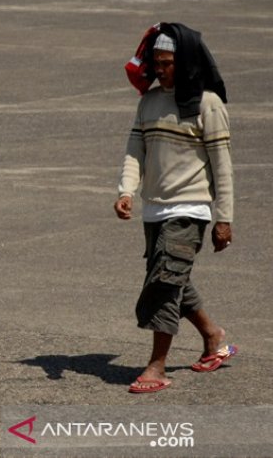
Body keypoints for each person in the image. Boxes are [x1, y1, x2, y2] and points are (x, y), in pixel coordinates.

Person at [115, 23, 238, 393]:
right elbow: (135, 152)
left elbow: (223, 167)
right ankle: (213, 337)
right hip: (155, 210)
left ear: (185, 63)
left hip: (190, 209)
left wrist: (224, 218)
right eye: (156, 62)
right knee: (173, 278)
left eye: (167, 63)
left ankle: (156, 366)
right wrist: (126, 191)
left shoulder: (207, 104)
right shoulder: (149, 102)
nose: (160, 69)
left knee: (165, 284)